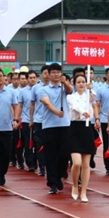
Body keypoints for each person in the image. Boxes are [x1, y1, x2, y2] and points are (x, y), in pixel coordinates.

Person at [38, 63, 73, 194]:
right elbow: (47, 103)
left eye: (58, 72)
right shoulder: (43, 89)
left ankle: (58, 177)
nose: (56, 74)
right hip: (49, 126)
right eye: (53, 72)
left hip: (65, 125)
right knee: (51, 155)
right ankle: (52, 182)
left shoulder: (64, 87)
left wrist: (65, 83)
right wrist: (56, 112)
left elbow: (70, 91)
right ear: (48, 74)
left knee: (64, 154)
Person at [66, 74, 99, 202]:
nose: (81, 84)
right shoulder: (70, 97)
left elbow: (93, 98)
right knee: (77, 163)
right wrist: (83, 112)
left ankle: (84, 191)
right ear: (74, 84)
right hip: (75, 129)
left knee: (86, 164)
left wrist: (90, 89)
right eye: (78, 82)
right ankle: (75, 185)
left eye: (83, 82)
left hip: (87, 129)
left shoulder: (88, 96)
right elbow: (75, 106)